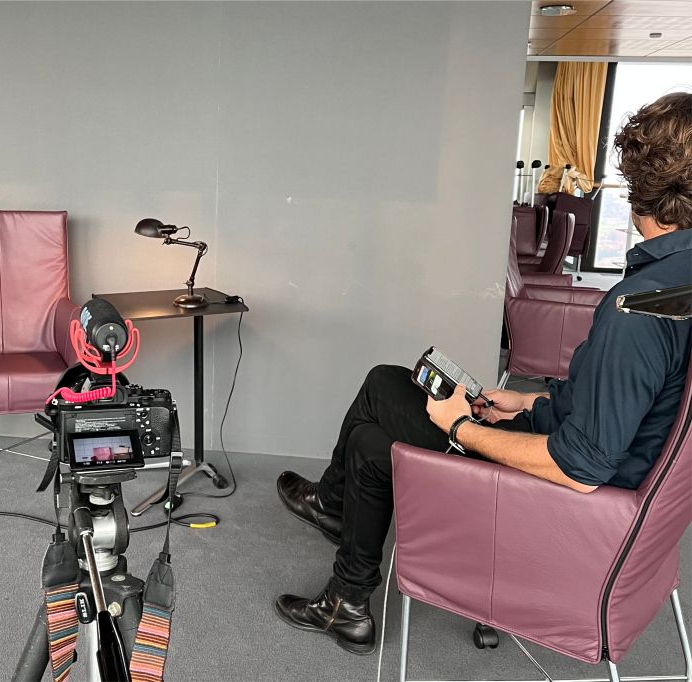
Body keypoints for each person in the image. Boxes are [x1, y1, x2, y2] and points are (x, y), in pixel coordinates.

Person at [274, 92, 692, 655]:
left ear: (642, 183)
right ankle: (346, 596)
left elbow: (581, 467)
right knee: (374, 442)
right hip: (612, 489)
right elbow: (629, 407)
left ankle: (334, 520)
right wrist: (528, 405)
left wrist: (460, 429)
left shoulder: (636, 308)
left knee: (381, 387)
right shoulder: (678, 285)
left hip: (567, 503)